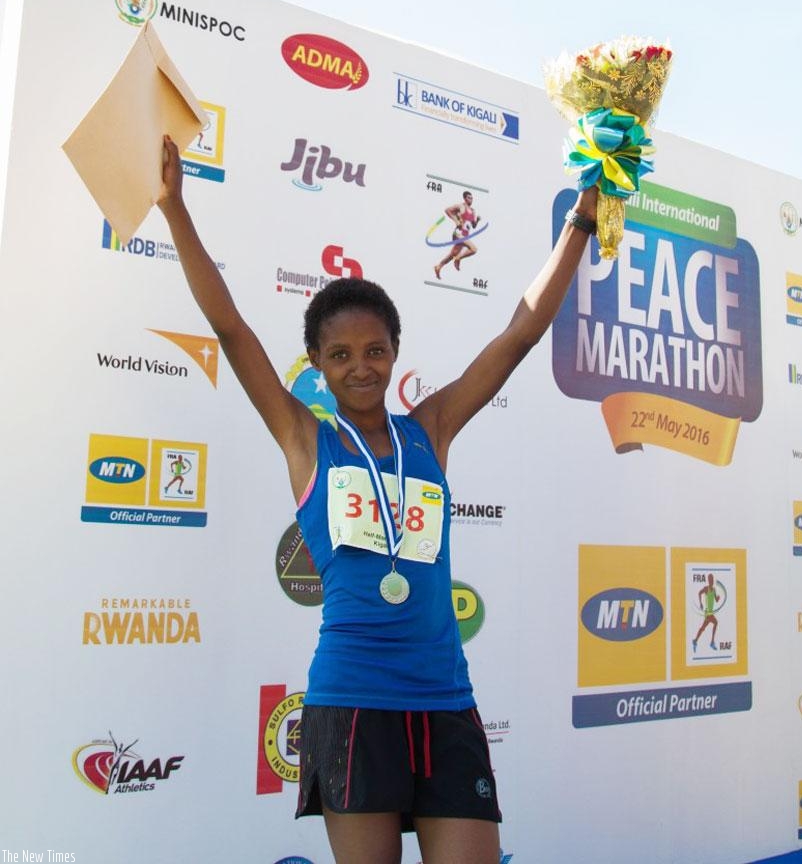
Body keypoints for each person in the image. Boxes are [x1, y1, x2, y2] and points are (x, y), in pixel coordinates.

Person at [157, 135, 597, 864]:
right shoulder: (306, 437)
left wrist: (581, 219)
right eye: (340, 355)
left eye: (374, 350)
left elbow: (520, 332)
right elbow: (231, 329)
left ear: (394, 352)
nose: (360, 368)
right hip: (354, 699)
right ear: (319, 366)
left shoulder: (431, 427)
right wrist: (176, 210)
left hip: (446, 700)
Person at [434, 191, 480, 280]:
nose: (471, 200)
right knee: (474, 249)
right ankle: (458, 259)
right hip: (458, 233)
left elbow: (473, 225)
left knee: (452, 255)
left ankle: (438, 266)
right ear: (465, 198)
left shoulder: (473, 211)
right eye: (469, 198)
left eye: (472, 198)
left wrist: (477, 220)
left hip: (465, 236)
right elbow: (447, 210)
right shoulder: (460, 206)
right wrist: (456, 220)